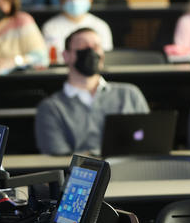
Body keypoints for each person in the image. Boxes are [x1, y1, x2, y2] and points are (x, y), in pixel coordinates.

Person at [35, 27, 149, 155]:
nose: (91, 52)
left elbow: (149, 142)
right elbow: (57, 158)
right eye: (83, 46)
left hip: (131, 172)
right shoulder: (51, 108)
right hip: (81, 174)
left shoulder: (129, 94)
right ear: (66, 56)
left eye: (96, 47)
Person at [42, 0, 113, 63]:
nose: (75, 1)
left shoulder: (101, 25)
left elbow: (105, 56)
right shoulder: (50, 27)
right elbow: (53, 58)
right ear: (61, 0)